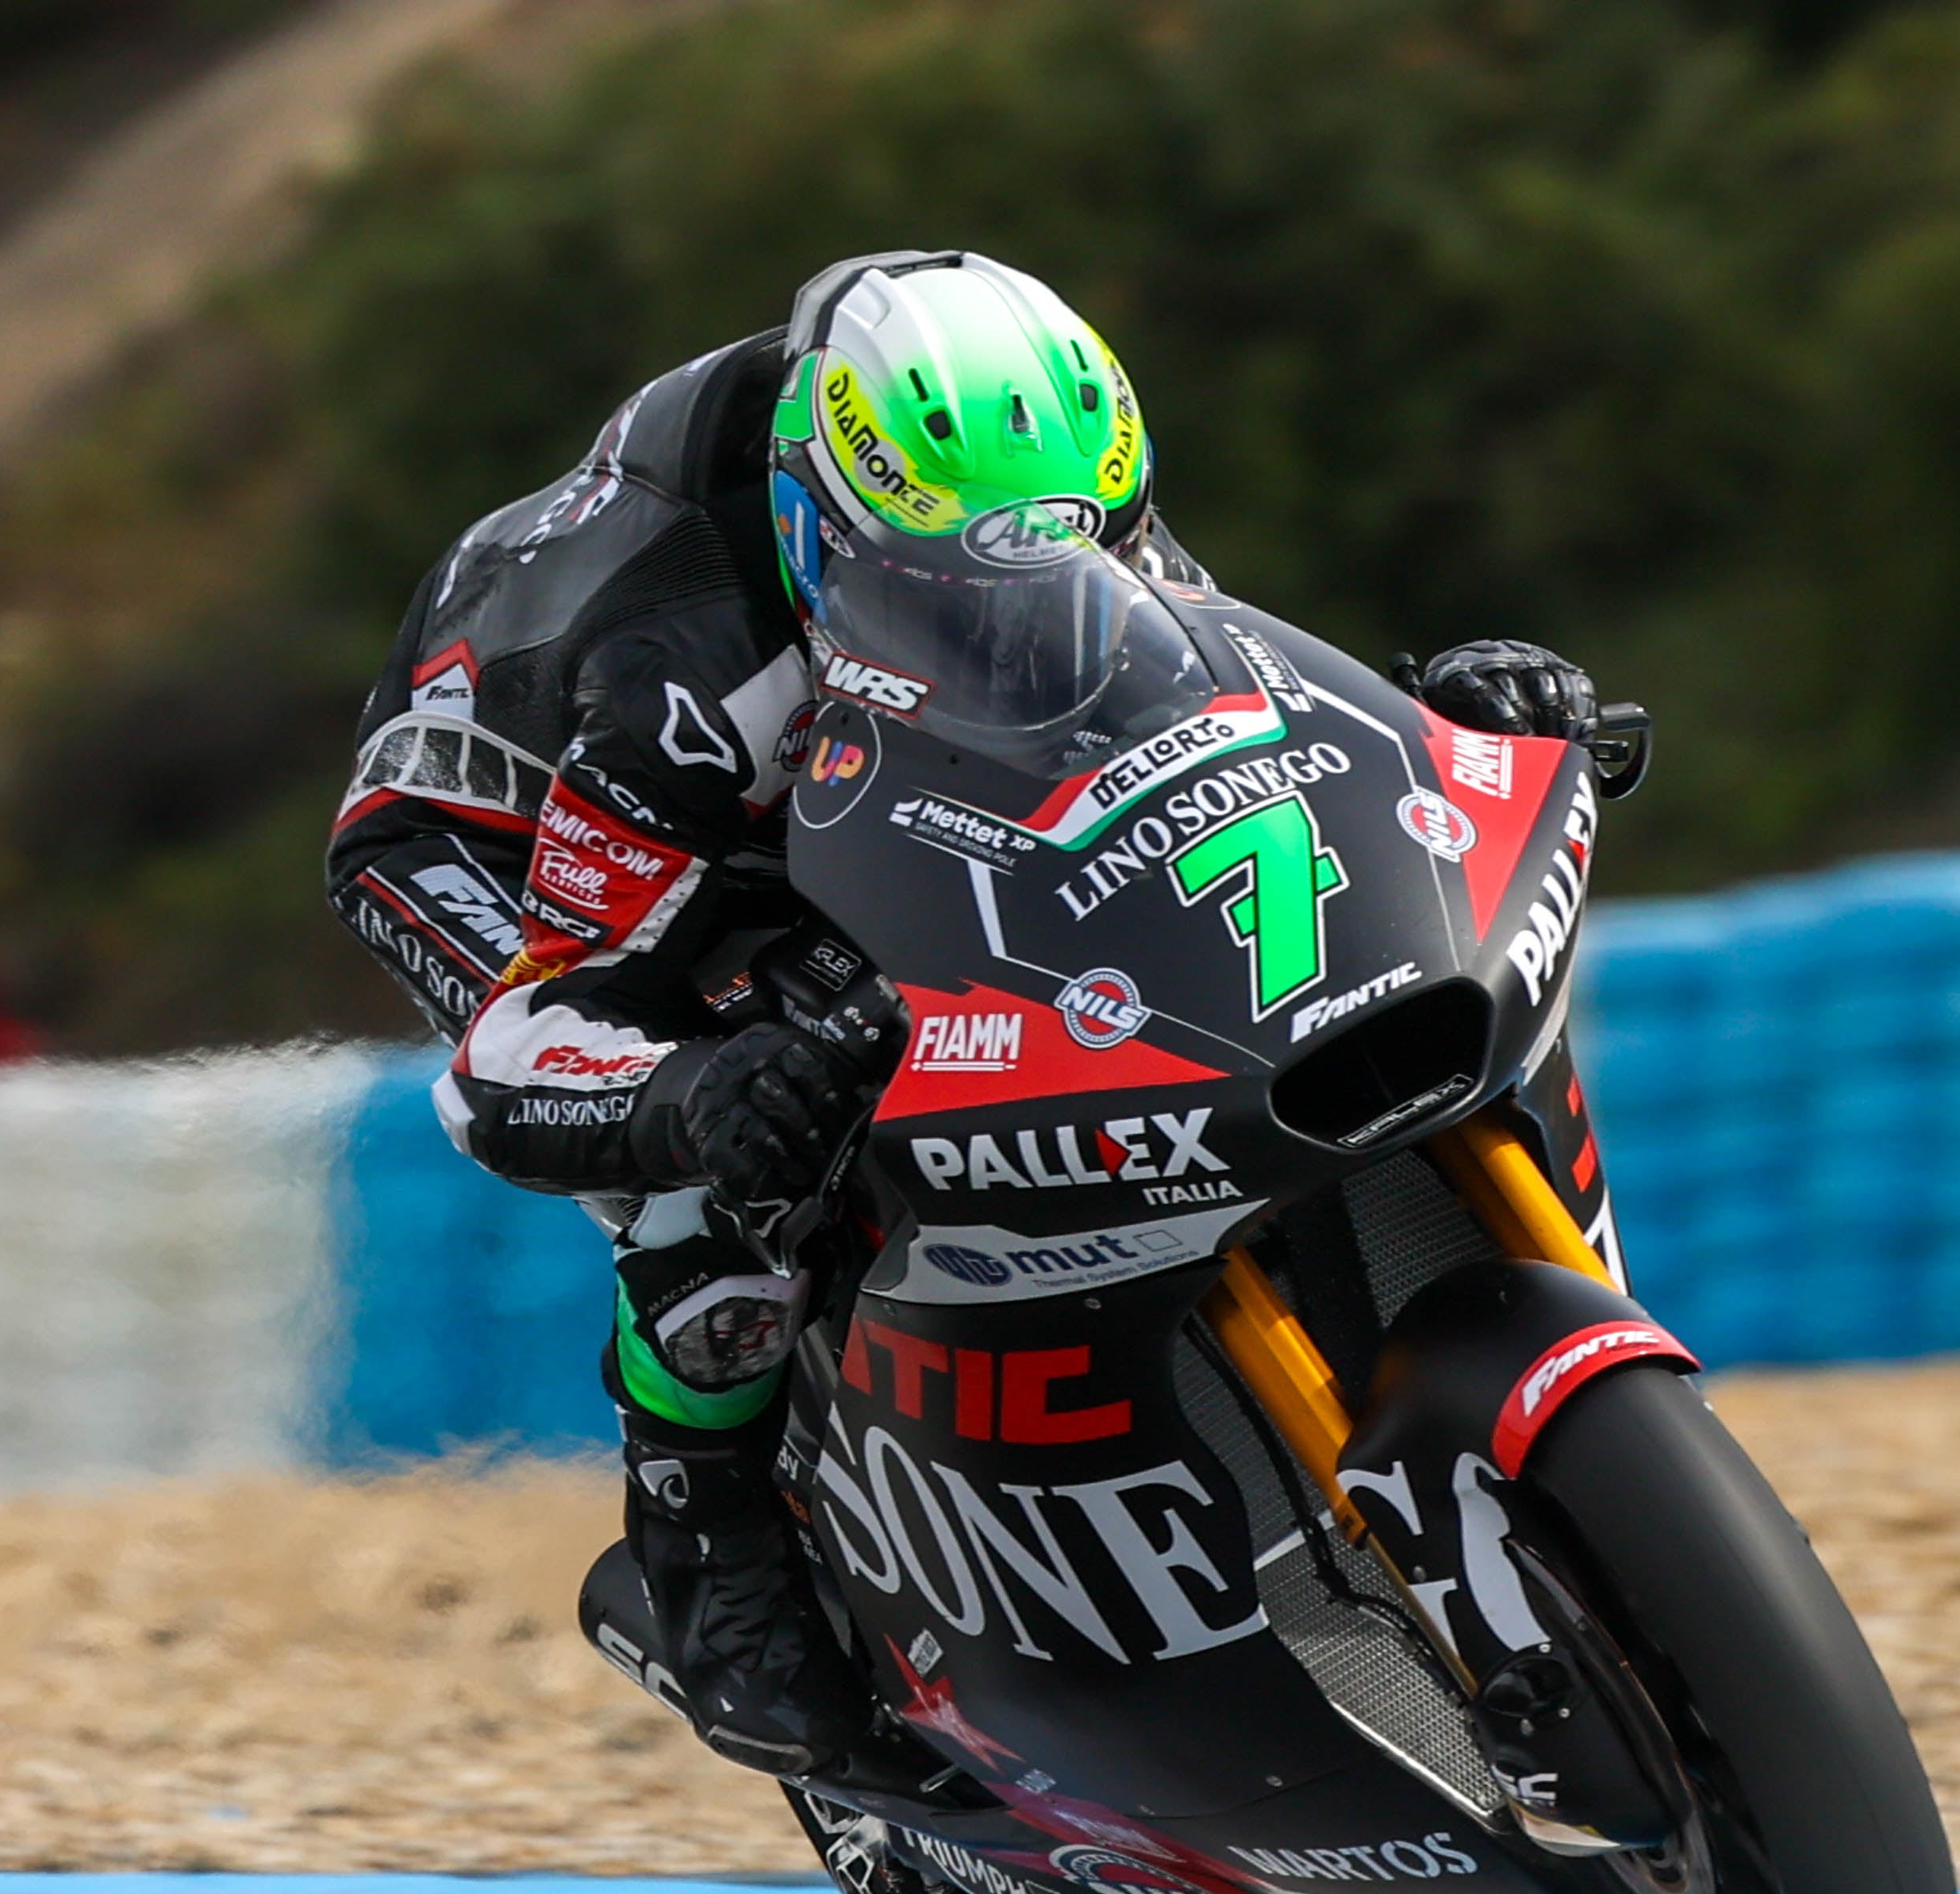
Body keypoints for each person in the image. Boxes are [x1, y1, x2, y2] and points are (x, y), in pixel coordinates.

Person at [324, 250, 1612, 1781]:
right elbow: (518, 1052)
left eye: (1072, 566)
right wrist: (693, 1092)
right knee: (717, 1155)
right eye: (949, 595)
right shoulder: (678, 681)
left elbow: (1215, 704)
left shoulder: (1035, 494)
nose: (1014, 621)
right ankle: (707, 1550)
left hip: (812, 725)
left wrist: (1459, 729)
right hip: (490, 826)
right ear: (824, 528)